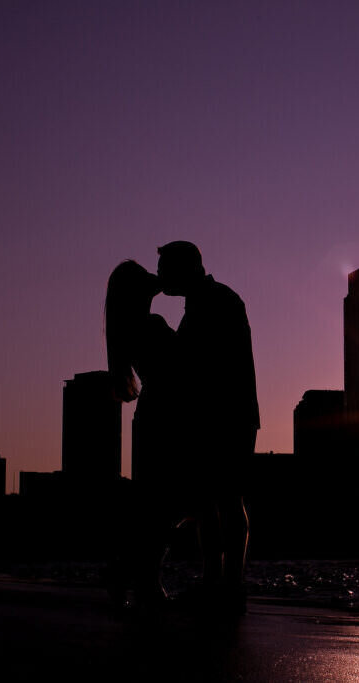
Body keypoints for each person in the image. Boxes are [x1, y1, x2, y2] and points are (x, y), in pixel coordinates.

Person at [157, 241, 259, 613]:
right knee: (211, 500)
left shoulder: (216, 301)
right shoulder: (208, 301)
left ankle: (228, 583)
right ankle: (218, 581)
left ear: (184, 269)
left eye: (164, 270)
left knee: (226, 499)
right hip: (223, 415)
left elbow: (201, 364)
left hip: (227, 416)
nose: (160, 277)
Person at [105, 259, 181, 610]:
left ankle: (138, 577)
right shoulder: (150, 325)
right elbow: (183, 361)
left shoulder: (129, 329)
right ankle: (140, 578)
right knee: (165, 505)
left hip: (152, 416)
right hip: (164, 417)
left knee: (154, 504)